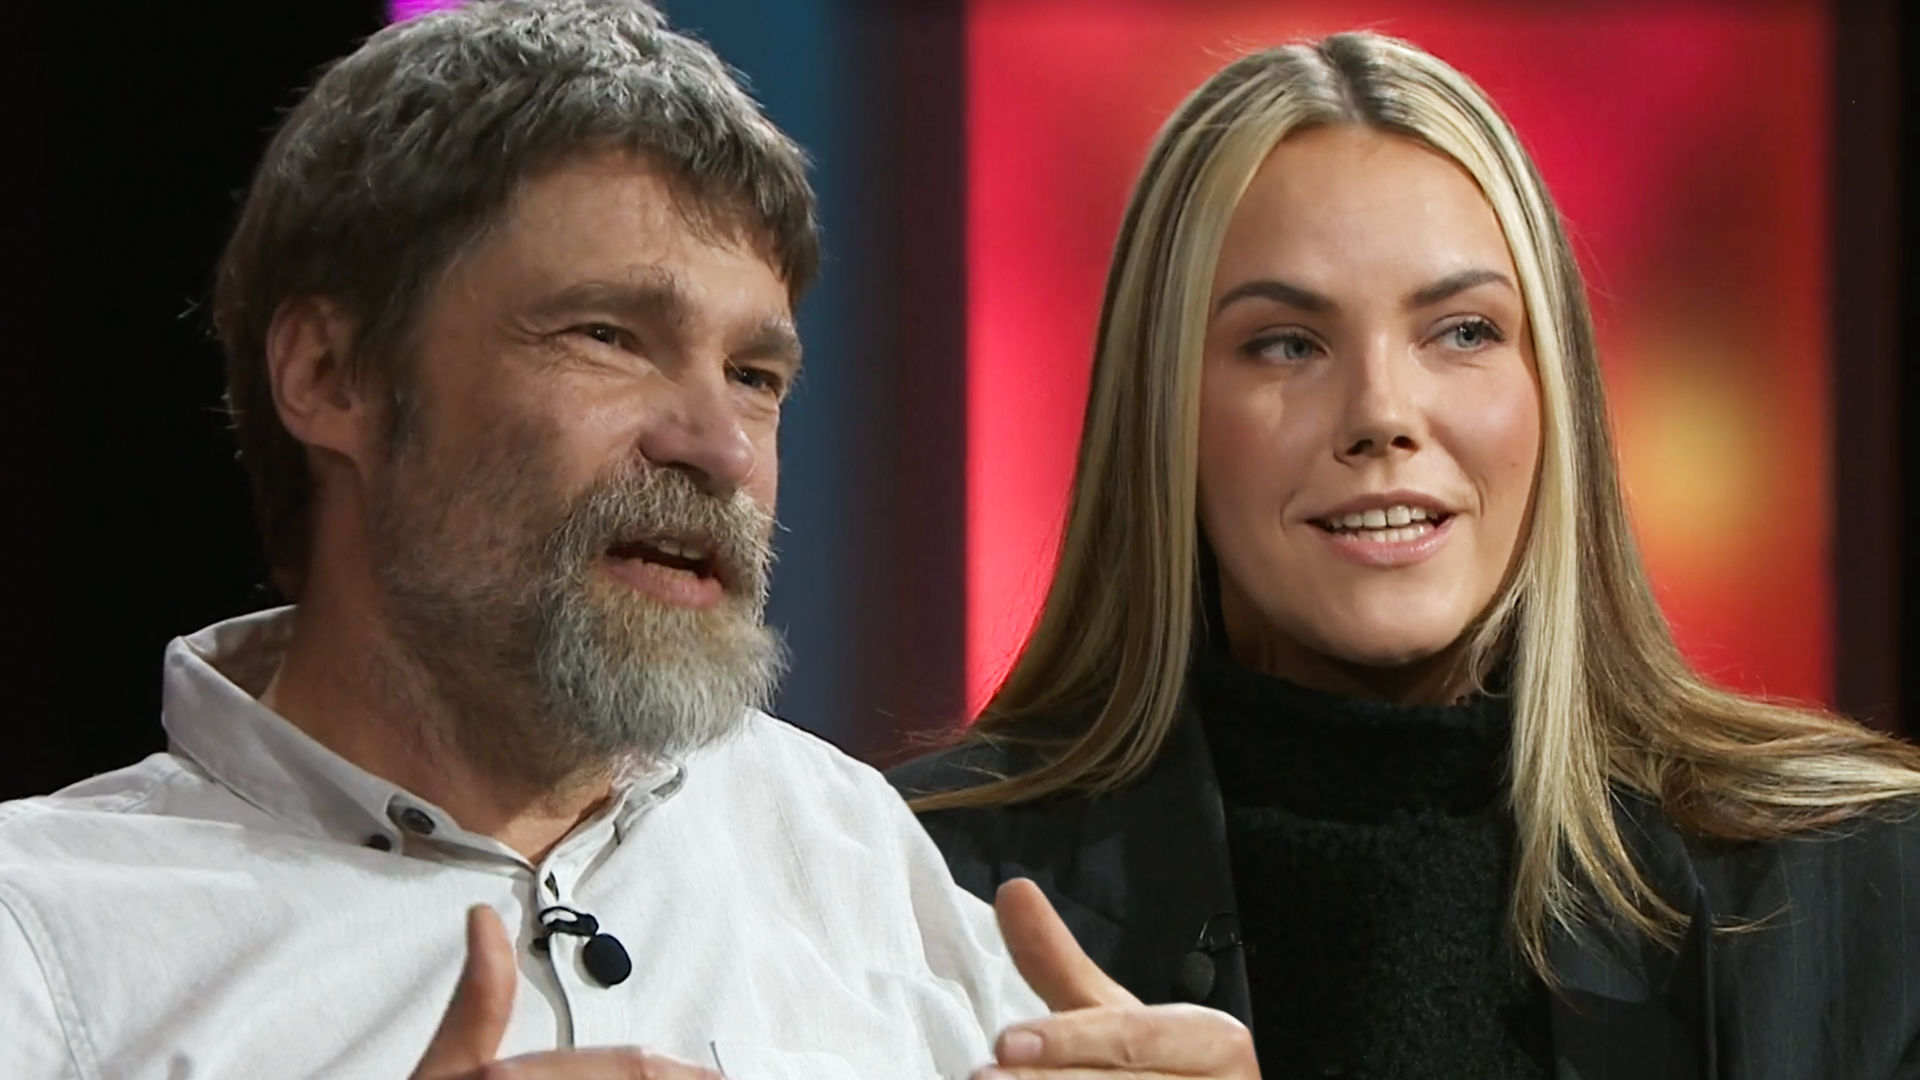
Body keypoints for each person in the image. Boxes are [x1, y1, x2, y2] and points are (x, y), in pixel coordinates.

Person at [0, 3, 1258, 1078]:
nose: (719, 447)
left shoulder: (853, 855)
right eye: (607, 335)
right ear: (334, 376)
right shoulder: (45, 939)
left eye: (756, 375)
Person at [890, 30, 1920, 1080]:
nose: (1382, 413)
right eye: (1286, 344)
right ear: (1162, 415)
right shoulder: (914, 882)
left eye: (1463, 332)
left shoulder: (1862, 886)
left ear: (1554, 391)